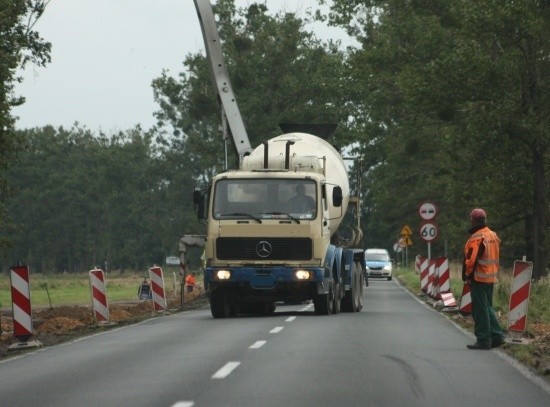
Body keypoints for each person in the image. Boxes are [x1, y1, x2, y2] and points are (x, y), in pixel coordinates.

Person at [462, 208, 505, 350]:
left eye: (471, 219)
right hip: (491, 277)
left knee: (480, 310)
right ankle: (497, 336)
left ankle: (483, 340)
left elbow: (471, 260)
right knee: (487, 308)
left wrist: (468, 276)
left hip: (479, 278)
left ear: (474, 220)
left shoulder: (477, 237)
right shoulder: (492, 235)